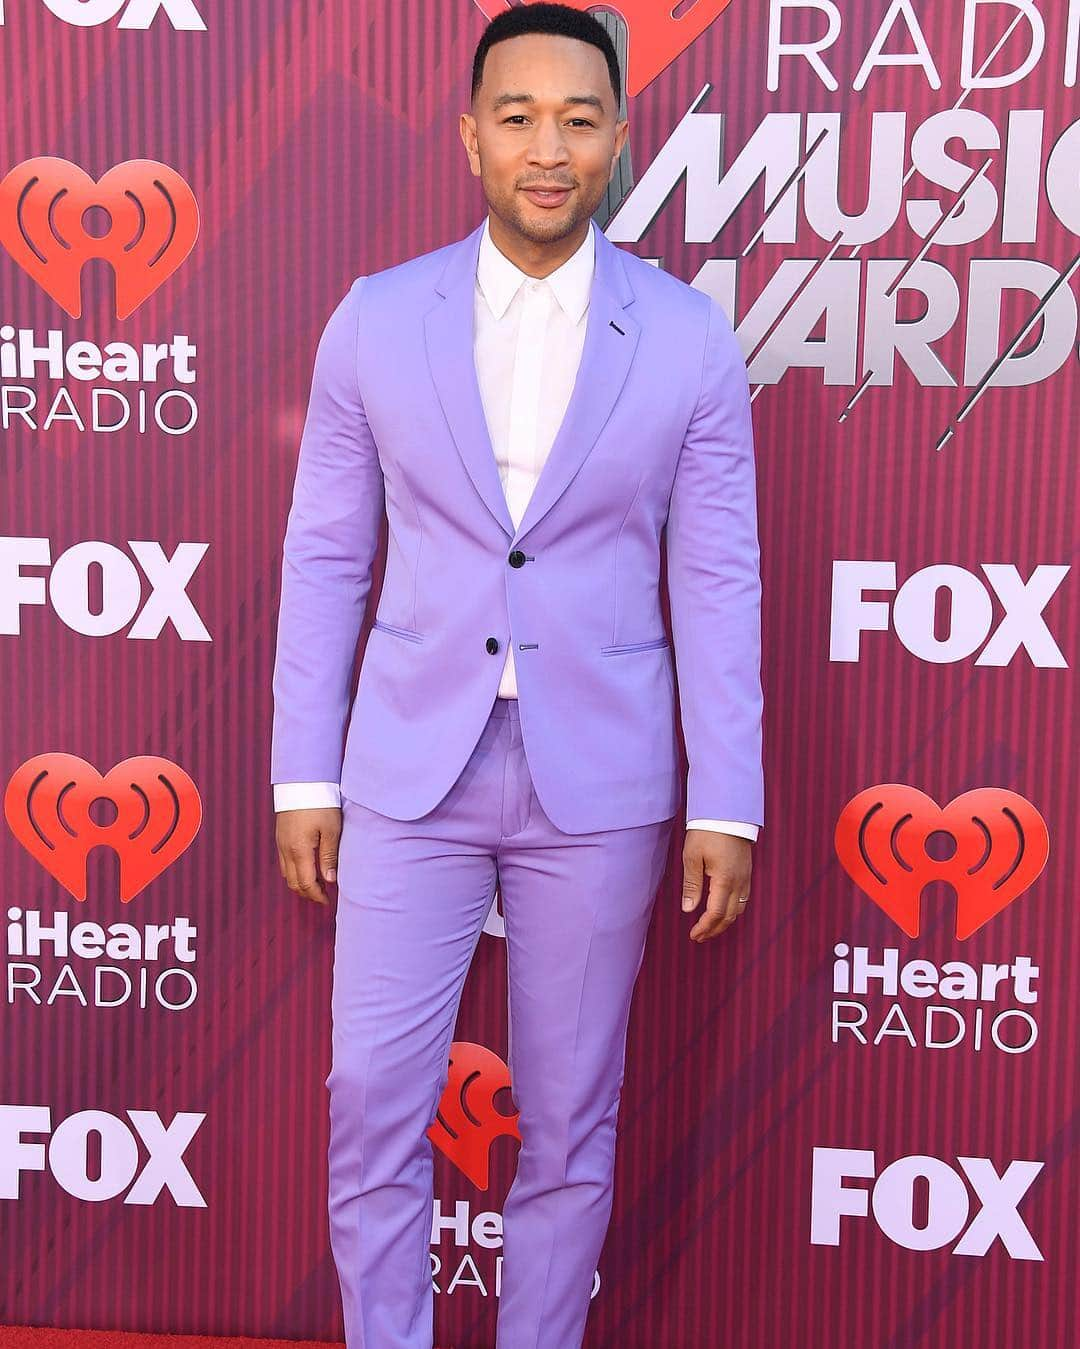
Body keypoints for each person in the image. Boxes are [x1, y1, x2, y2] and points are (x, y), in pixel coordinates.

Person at [269, 4, 764, 1345]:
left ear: (614, 141)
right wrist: (305, 771)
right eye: (519, 115)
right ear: (473, 133)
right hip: (406, 773)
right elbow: (325, 557)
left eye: (580, 118)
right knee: (373, 1099)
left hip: (597, 779)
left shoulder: (687, 336)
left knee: (569, 1117)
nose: (550, 146)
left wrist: (728, 800)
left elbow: (717, 580)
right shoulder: (375, 322)